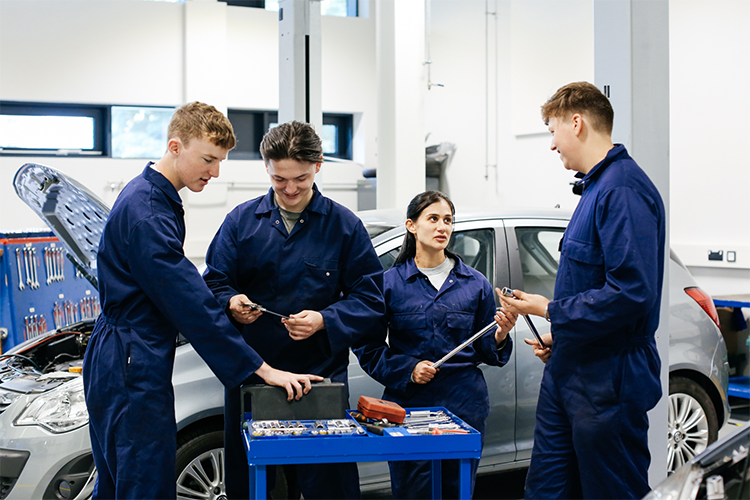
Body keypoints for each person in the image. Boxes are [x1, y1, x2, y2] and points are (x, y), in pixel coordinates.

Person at [82, 102, 322, 500]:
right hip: (130, 356)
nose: (215, 172)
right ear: (176, 146)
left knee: (120, 480)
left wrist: (227, 305)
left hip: (126, 352)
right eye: (208, 159)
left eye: (221, 161)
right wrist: (259, 368)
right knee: (143, 482)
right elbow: (189, 301)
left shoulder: (150, 194)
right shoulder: (148, 214)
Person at [498, 82, 666, 499]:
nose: (552, 145)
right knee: (549, 490)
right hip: (574, 368)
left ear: (577, 123)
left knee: (610, 490)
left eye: (553, 131)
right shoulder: (594, 188)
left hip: (608, 379)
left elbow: (632, 292)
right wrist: (566, 334)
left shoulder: (622, 190)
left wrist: (551, 310)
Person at [202, 120, 385, 499]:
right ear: (267, 169)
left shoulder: (344, 227)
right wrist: (232, 303)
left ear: (318, 165)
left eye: (299, 178)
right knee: (254, 485)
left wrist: (324, 320)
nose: (289, 189)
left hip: (318, 377)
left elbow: (371, 299)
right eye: (279, 179)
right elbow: (214, 283)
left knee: (326, 485)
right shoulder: (240, 223)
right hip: (254, 375)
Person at [353, 190, 517, 499]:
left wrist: (500, 335)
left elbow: (485, 348)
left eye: (448, 220)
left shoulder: (474, 283)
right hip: (408, 403)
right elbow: (368, 348)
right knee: (412, 489)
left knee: (457, 489)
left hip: (464, 403)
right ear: (412, 225)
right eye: (433, 219)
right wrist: (408, 368)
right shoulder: (389, 284)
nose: (442, 227)